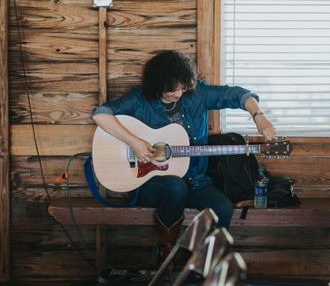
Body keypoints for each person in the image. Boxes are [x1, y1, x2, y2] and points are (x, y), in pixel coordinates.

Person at [92, 50, 276, 262]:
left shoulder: (196, 94)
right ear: (157, 84)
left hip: (196, 181)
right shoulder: (139, 99)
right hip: (152, 183)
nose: (178, 93)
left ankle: (202, 267)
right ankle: (166, 251)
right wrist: (135, 142)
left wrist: (259, 116)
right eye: (172, 89)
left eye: (182, 86)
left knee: (223, 208)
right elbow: (100, 114)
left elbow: (236, 94)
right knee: (175, 187)